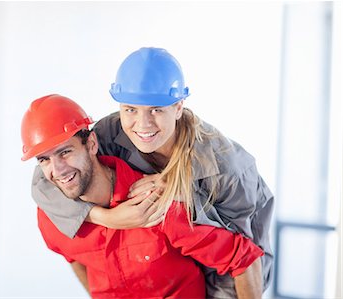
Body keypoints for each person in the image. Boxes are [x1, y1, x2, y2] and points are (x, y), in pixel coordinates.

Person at [30, 47, 274, 297]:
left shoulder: (226, 169)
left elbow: (243, 259)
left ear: (178, 107)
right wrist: (105, 218)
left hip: (235, 270)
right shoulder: (110, 133)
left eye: (156, 109)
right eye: (130, 109)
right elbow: (51, 178)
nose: (142, 124)